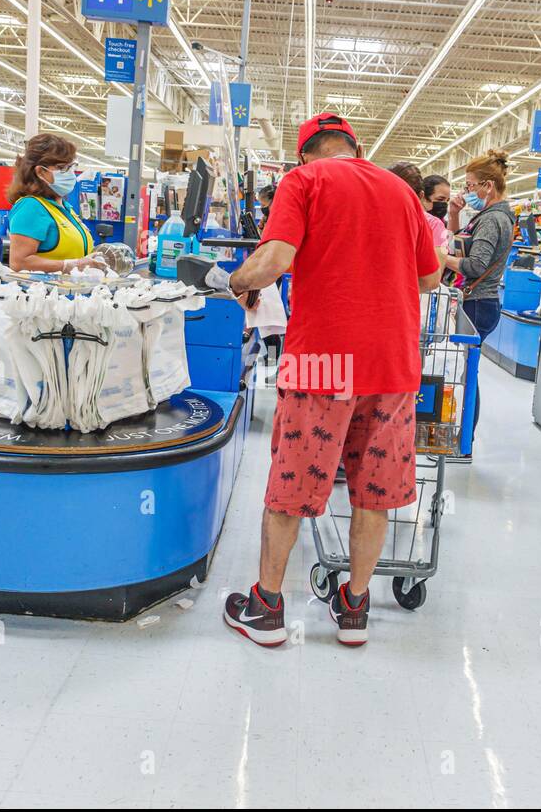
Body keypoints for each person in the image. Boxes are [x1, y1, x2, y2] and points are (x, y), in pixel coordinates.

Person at [221, 113, 442, 648]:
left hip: (322, 361)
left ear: (304, 154)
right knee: (373, 491)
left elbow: (274, 260)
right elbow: (430, 278)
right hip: (392, 364)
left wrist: (235, 280)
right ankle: (354, 608)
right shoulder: (401, 191)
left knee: (293, 484)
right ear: (355, 147)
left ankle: (267, 608)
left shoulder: (304, 182)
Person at [441, 149, 516, 445]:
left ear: (488, 186)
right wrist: (455, 215)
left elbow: (474, 265)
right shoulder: (490, 216)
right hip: (479, 302)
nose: (466, 191)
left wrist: (439, 257)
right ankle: (462, 437)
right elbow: (461, 247)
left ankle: (464, 439)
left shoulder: (492, 220)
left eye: (470, 185)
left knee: (465, 373)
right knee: (463, 370)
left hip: (477, 303)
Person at [6, 133, 103, 274]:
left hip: (70, 293)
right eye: (62, 167)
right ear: (40, 172)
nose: (70, 173)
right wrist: (69, 265)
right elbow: (19, 263)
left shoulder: (64, 208)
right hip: (43, 293)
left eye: (71, 166)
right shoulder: (31, 207)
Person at [387, 161, 450, 268]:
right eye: (440, 199)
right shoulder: (434, 224)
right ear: (422, 196)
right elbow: (433, 279)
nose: (444, 204)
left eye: (447, 200)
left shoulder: (370, 219)